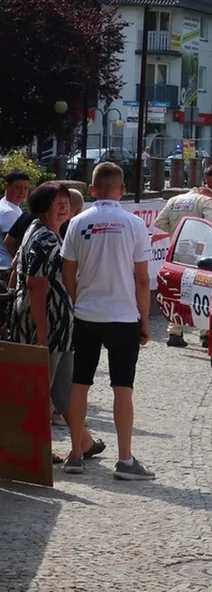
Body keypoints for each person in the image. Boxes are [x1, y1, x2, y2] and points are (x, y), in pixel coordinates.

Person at [60, 162, 154, 480]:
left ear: (92, 190)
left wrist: (78, 300)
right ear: (122, 190)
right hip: (123, 316)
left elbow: (68, 273)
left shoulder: (77, 223)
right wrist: (144, 319)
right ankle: (125, 460)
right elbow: (142, 279)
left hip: (87, 313)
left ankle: (75, 453)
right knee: (122, 389)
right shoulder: (134, 224)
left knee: (79, 386)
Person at [8, 182, 105, 464]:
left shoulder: (50, 233)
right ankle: (33, 448)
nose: (62, 206)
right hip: (45, 324)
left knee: (63, 387)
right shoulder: (44, 238)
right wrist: (41, 333)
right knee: (40, 390)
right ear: (42, 207)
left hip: (60, 326)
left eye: (65, 201)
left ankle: (83, 442)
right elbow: (35, 285)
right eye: (55, 202)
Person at [153, 187, 212, 347]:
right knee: (202, 290)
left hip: (177, 251)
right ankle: (205, 333)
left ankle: (174, 332)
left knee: (176, 290)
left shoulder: (173, 200)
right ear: (206, 194)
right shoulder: (205, 200)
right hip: (198, 251)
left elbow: (159, 222)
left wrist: (177, 232)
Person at [0, 169, 30, 272]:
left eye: (26, 188)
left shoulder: (12, 207)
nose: (22, 192)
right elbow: (11, 243)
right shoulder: (8, 212)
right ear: (6, 186)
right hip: (8, 267)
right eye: (18, 187)